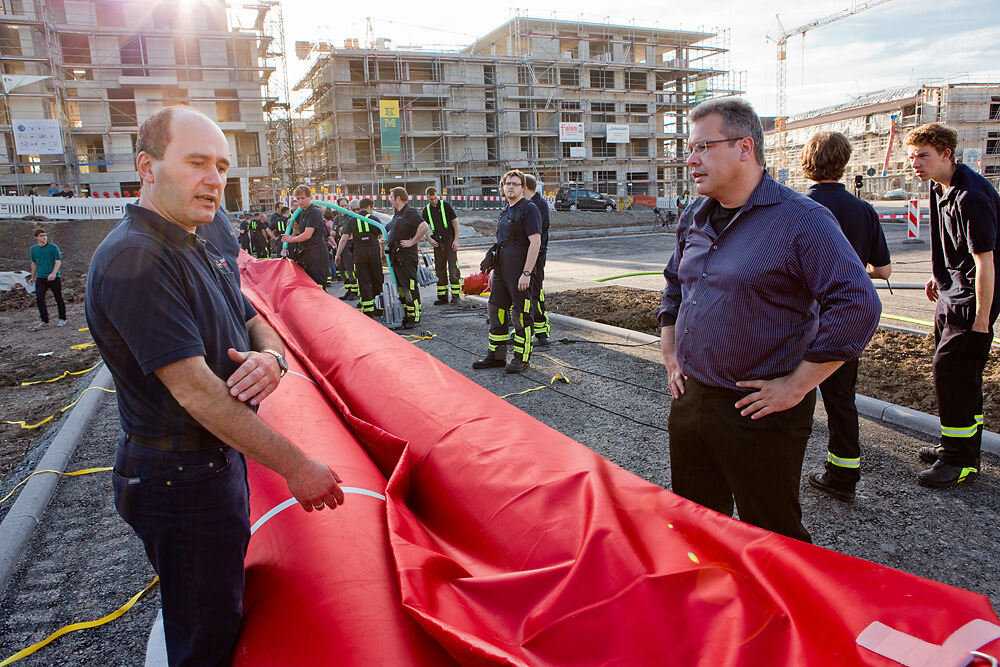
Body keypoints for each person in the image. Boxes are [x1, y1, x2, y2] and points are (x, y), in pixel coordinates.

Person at [85, 105, 345, 667]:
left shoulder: (197, 238)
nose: (215, 180)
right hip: (179, 483)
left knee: (219, 607)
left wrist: (273, 361)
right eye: (197, 162)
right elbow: (197, 392)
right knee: (204, 634)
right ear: (147, 167)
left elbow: (254, 318)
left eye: (223, 166)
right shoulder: (138, 257)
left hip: (210, 468)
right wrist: (298, 466)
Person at [657, 98, 880, 542]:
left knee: (771, 531)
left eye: (703, 146)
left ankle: (784, 610)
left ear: (744, 147)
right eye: (689, 148)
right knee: (696, 522)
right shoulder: (694, 215)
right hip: (692, 396)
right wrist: (669, 348)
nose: (691, 159)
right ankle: (713, 603)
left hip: (760, 408)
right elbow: (674, 282)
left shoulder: (802, 220)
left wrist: (797, 384)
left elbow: (858, 304)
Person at [905, 122, 1000, 488]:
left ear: (946, 154)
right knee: (958, 375)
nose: (915, 164)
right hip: (951, 290)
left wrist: (981, 319)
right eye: (912, 157)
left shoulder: (971, 195)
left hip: (971, 297)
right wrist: (938, 273)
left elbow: (985, 261)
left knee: (952, 373)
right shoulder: (938, 186)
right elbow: (948, 241)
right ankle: (958, 447)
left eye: (923, 156)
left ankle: (958, 461)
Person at [799, 131, 892, 501]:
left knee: (791, 396)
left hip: (799, 319)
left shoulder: (793, 206)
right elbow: (883, 271)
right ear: (845, 162)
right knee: (841, 400)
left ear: (807, 161)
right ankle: (843, 475)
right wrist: (850, 272)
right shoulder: (863, 210)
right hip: (844, 321)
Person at [472, 169, 541, 374]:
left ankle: (521, 358)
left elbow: (535, 242)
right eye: (507, 183)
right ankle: (496, 356)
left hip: (520, 270)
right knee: (496, 311)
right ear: (502, 187)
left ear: (522, 187)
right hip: (502, 269)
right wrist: (494, 267)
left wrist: (527, 273)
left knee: (520, 315)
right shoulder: (506, 210)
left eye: (515, 184)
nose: (510, 187)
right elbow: (502, 242)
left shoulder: (529, 209)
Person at [386, 187, 429, 330]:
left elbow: (424, 226)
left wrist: (412, 241)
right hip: (397, 258)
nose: (390, 200)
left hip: (406, 258)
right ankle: (407, 315)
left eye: (391, 197)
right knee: (402, 288)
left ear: (398, 198)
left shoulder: (409, 212)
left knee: (410, 287)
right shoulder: (397, 215)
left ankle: (415, 317)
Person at [336, 197, 384, 319]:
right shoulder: (374, 219)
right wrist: (382, 253)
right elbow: (382, 237)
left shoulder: (352, 220)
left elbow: (343, 239)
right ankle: (379, 308)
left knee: (364, 281)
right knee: (377, 280)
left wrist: (337, 254)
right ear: (369, 207)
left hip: (359, 253)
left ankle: (368, 311)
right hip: (373, 253)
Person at [282, 185, 330, 286]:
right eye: (298, 199)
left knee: (318, 286)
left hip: (316, 255)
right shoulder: (303, 212)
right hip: (307, 255)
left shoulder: (314, 211)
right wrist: (295, 229)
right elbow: (302, 231)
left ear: (310, 197)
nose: (300, 201)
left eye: (303, 198)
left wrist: (290, 239)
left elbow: (307, 235)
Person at [523, 174, 551, 346]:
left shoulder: (538, 205)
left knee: (535, 294)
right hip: (524, 255)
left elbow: (535, 233)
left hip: (537, 255)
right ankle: (526, 330)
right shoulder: (525, 204)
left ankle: (541, 332)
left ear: (524, 187)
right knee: (523, 296)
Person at [421, 186, 461, 305]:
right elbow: (423, 227)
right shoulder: (426, 210)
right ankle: (442, 297)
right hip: (438, 243)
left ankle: (455, 296)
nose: (433, 201)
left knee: (453, 270)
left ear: (437, 195)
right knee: (440, 271)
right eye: (431, 199)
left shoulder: (445, 206)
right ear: (427, 197)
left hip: (449, 241)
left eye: (435, 198)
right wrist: (429, 239)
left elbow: (455, 222)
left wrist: (456, 240)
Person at [27, 227, 67, 329]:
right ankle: (44, 320)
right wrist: (33, 276)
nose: (44, 237)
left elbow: (58, 261)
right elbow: (34, 263)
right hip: (41, 278)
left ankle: (62, 319)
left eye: (45, 235)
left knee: (58, 298)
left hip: (54, 277)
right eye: (41, 236)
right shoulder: (33, 249)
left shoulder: (53, 247)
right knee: (39, 298)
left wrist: (53, 273)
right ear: (36, 237)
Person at [333, 198, 358, 299]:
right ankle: (348, 289)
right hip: (340, 243)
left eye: (345, 205)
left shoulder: (351, 217)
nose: (343, 208)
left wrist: (341, 230)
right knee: (341, 269)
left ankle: (354, 291)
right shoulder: (337, 218)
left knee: (350, 268)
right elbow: (333, 232)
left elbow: (350, 234)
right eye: (341, 206)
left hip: (349, 245)